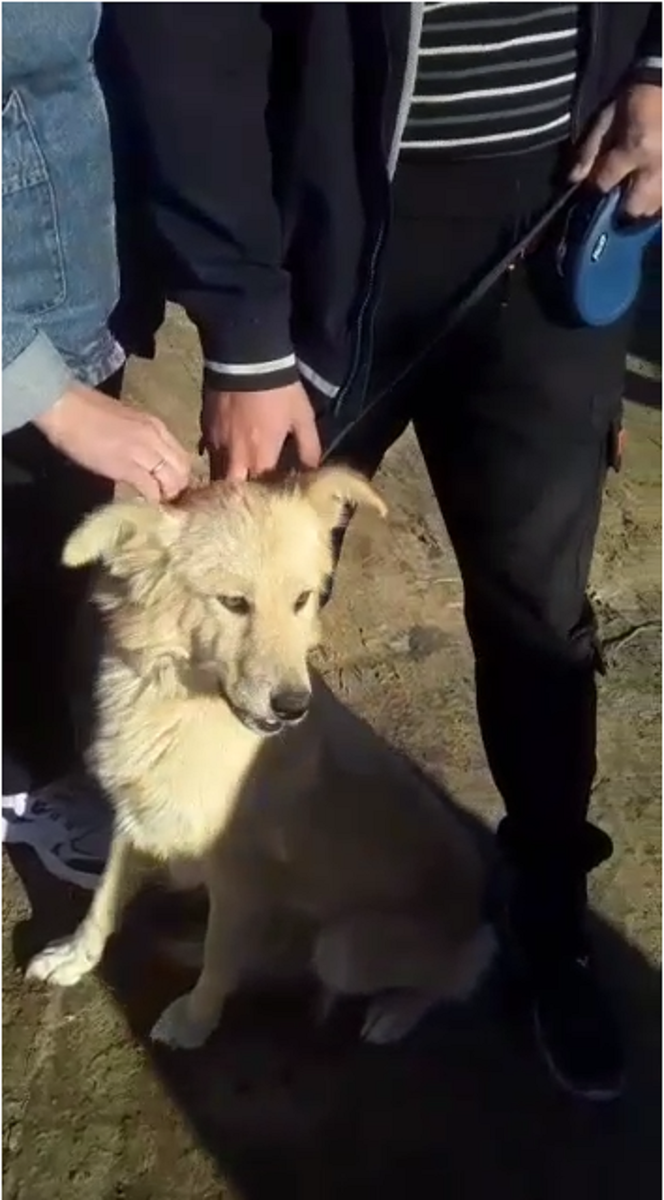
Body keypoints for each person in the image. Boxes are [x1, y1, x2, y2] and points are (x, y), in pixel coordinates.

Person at [99, 3, 661, 1101]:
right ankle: (223, 859)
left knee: (539, 613)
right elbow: (182, 25)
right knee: (239, 601)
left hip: (562, 207)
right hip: (325, 233)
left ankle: (548, 915)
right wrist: (242, 328)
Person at [2, 2, 191, 801]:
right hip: (25, 346)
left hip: (70, 294)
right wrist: (47, 396)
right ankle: (22, 777)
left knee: (42, 571)